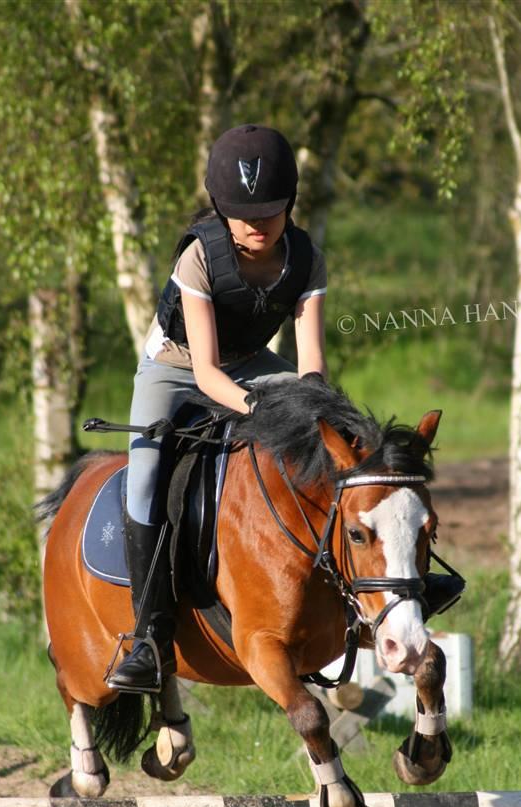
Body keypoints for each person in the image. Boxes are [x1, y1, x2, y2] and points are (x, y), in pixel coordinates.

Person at [108, 124, 327, 693]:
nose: (256, 225)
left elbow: (311, 371)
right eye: (241, 213)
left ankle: (381, 585)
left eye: (270, 213)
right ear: (219, 208)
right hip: (175, 369)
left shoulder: (306, 259)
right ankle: (149, 637)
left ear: (291, 206)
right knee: (145, 476)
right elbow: (205, 373)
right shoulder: (198, 258)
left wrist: (311, 410)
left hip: (253, 362)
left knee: (335, 422)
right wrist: (260, 407)